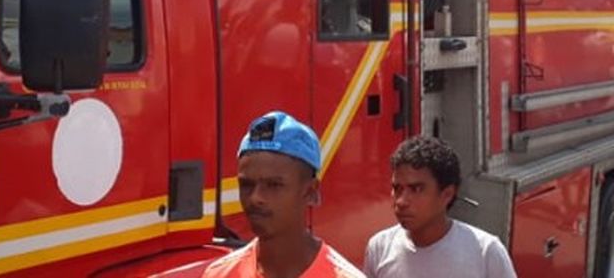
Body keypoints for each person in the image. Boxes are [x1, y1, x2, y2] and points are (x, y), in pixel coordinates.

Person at [202, 111, 363, 278]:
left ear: (310, 192)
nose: (255, 198)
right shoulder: (220, 274)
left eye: (273, 185)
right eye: (246, 185)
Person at [363, 136, 516, 278]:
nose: (401, 201)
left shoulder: (485, 253)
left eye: (416, 189)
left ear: (447, 194)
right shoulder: (379, 248)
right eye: (397, 189)